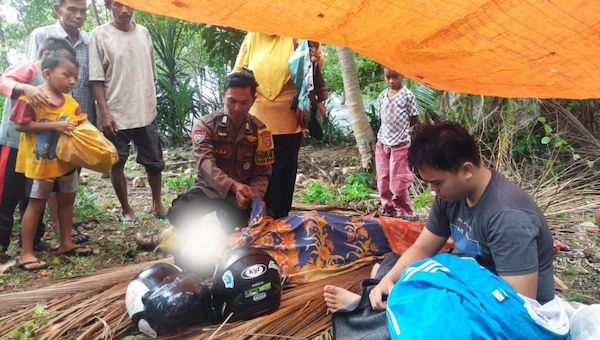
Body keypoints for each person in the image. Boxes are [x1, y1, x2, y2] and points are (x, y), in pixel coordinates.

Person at [324, 122, 554, 320]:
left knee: (430, 314)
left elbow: (518, 306)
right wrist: (390, 280)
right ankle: (382, 291)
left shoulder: (508, 218)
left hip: (497, 299)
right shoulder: (452, 194)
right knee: (395, 265)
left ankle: (368, 307)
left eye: (437, 183)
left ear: (466, 170)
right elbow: (423, 247)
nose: (434, 191)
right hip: (465, 278)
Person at [11, 51, 91, 270]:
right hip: (41, 164)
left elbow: (81, 124)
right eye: (66, 75)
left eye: (75, 76)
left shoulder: (71, 102)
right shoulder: (32, 97)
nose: (72, 81)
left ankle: (66, 242)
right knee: (36, 205)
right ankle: (26, 252)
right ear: (47, 73)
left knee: (67, 202)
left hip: (65, 163)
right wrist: (54, 126)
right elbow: (20, 125)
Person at [0, 38, 77, 263]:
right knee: (7, 193)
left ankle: (33, 242)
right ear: (46, 57)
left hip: (41, 152)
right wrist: (25, 87)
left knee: (32, 196)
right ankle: (1, 244)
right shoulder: (28, 68)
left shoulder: (63, 91)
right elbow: (3, 80)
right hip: (14, 143)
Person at [167, 71, 273, 233]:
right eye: (232, 101)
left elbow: (262, 172)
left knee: (257, 228)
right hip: (209, 190)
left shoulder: (261, 131)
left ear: (253, 100)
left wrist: (255, 197)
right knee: (179, 213)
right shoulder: (205, 125)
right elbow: (206, 166)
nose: (237, 108)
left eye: (244, 102)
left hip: (241, 197)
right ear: (223, 95)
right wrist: (233, 186)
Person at [89, 0, 167, 222]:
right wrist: (104, 113)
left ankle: (157, 204)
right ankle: (126, 209)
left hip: (144, 109)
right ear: (107, 6)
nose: (124, 10)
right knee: (117, 163)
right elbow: (96, 79)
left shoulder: (143, 32)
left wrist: (150, 102)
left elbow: (150, 73)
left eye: (128, 4)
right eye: (117, 4)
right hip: (116, 112)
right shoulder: (100, 35)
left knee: (154, 162)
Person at [234, 33, 324, 219]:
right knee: (254, 169)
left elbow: (315, 66)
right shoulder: (252, 37)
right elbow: (238, 74)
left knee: (283, 171)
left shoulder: (297, 34)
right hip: (256, 120)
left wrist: (313, 51)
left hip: (288, 117)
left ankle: (278, 220)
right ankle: (255, 217)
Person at [26, 0, 93, 242]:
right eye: (72, 9)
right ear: (58, 9)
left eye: (83, 10)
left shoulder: (89, 42)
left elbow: (92, 80)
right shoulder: (42, 35)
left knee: (68, 180)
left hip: (75, 120)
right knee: (41, 190)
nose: (78, 15)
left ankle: (65, 233)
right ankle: (44, 235)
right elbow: (30, 74)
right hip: (44, 136)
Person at [375, 67, 419, 219]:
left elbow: (414, 118)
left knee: (398, 181)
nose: (391, 80)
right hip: (383, 142)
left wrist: (404, 131)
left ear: (403, 75)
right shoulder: (382, 96)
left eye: (395, 77)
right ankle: (388, 209)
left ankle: (405, 212)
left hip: (400, 144)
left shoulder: (407, 96)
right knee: (383, 178)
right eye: (388, 77)